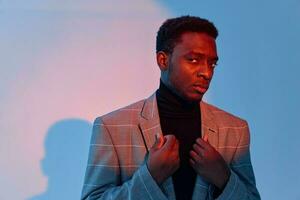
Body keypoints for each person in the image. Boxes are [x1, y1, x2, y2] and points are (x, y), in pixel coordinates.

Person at [81, 15, 260, 200]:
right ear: (163, 60)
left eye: (212, 63)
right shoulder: (112, 127)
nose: (206, 72)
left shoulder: (235, 129)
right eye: (193, 60)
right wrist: (150, 177)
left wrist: (224, 178)